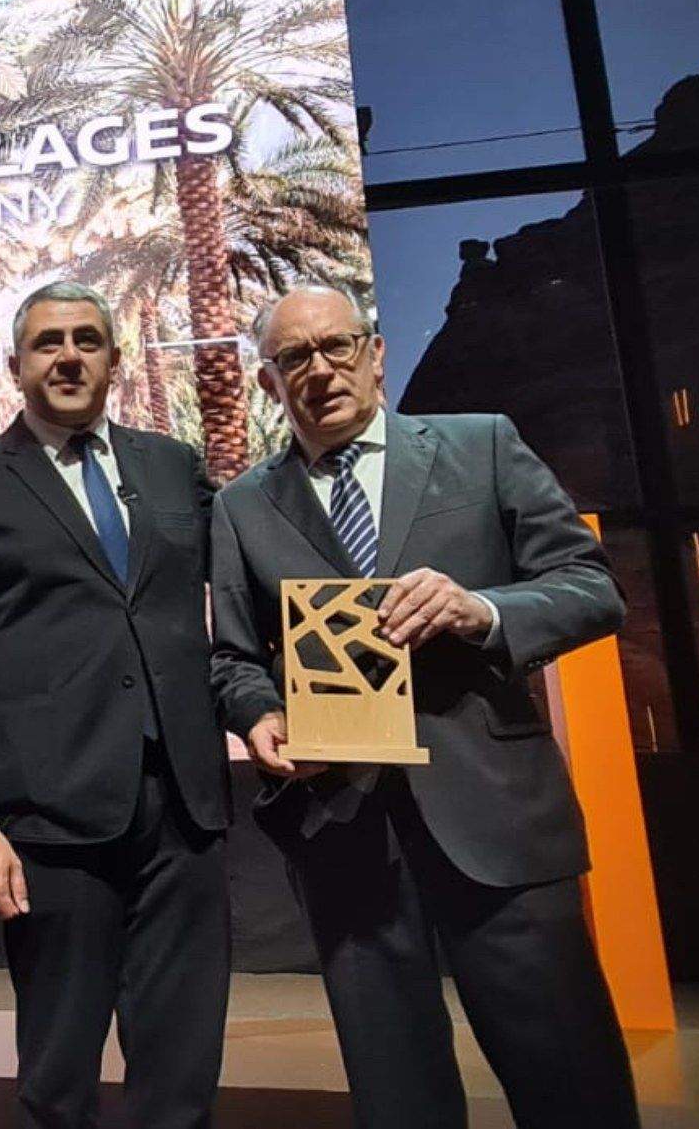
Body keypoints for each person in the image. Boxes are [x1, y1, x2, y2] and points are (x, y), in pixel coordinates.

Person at [209, 283, 639, 1128]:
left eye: (337, 346)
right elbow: (232, 659)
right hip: (343, 826)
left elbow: (592, 589)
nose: (320, 369)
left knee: (567, 1073)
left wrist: (482, 610)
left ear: (376, 354)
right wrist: (259, 715)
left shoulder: (482, 446)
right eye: (294, 357)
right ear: (268, 382)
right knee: (397, 1089)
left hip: (497, 814)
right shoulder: (241, 506)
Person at [0, 281, 230, 1127]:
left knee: (182, 1073)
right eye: (48, 342)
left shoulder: (171, 465)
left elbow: (243, 585)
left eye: (86, 340)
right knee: (58, 1075)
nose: (68, 356)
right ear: (15, 365)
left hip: (185, 811)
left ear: (115, 360)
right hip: (50, 820)